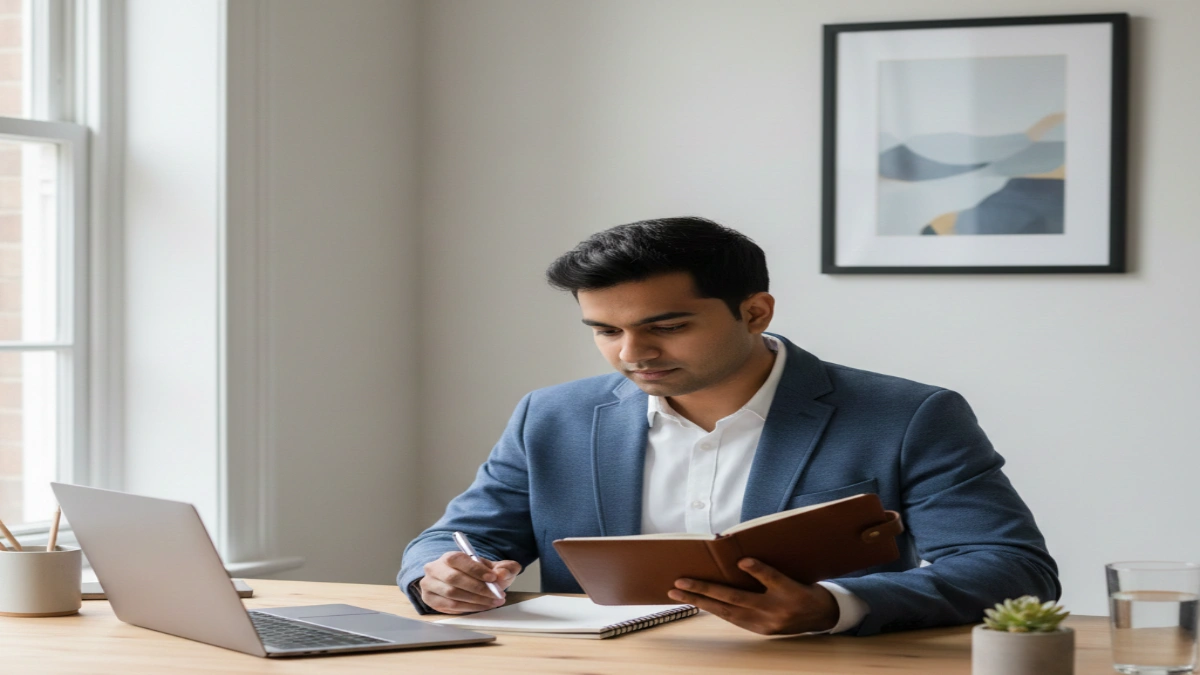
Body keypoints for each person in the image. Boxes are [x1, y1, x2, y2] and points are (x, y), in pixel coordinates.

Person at [398, 217, 1058, 636]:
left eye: (666, 326)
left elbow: (1010, 567)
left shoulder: (910, 415)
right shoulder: (552, 416)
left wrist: (832, 605)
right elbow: (456, 536)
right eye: (606, 330)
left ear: (755, 311)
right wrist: (440, 574)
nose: (633, 354)